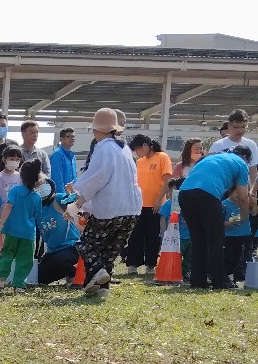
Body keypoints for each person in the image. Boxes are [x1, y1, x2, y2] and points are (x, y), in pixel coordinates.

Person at [72, 109, 141, 297]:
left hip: (110, 208)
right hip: (131, 210)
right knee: (109, 251)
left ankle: (97, 272)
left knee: (87, 244)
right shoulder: (124, 149)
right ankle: (101, 288)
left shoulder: (103, 148)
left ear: (98, 129)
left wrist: (78, 203)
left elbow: (96, 179)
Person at [178, 146, 250, 289]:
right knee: (215, 239)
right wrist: (244, 215)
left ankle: (198, 280)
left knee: (198, 239)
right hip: (207, 194)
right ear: (245, 157)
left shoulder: (212, 158)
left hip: (184, 193)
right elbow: (243, 196)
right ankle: (220, 281)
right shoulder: (241, 163)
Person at [0, 158, 43, 291]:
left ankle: (0, 278)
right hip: (28, 233)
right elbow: (37, 215)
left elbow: (8, 207)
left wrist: (0, 224)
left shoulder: (15, 190)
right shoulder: (37, 197)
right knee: (25, 259)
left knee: (7, 254)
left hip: (11, 230)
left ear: (22, 175)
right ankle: (19, 284)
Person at [124, 134, 172, 274]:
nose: (137, 153)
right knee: (136, 235)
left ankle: (151, 264)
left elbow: (167, 180)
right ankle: (133, 263)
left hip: (155, 204)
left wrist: (158, 200)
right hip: (139, 204)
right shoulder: (140, 162)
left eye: (137, 149)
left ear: (145, 146)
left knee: (152, 235)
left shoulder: (162, 157)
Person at [35, 179, 82, 284]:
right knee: (38, 276)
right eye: (37, 186)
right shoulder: (37, 209)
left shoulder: (58, 199)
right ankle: (69, 271)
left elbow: (73, 203)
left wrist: (69, 191)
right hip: (52, 251)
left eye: (43, 185)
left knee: (57, 261)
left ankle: (75, 273)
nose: (41, 188)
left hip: (71, 246)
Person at [222, 190, 253, 284]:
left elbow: (253, 213)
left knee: (243, 256)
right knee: (230, 257)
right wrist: (231, 222)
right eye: (236, 192)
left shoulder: (245, 202)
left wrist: (255, 204)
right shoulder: (224, 204)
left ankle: (240, 276)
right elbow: (219, 222)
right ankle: (229, 275)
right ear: (229, 192)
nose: (239, 195)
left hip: (245, 234)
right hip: (230, 236)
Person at [50, 127, 78, 193]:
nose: (72, 138)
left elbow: (75, 178)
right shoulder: (57, 155)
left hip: (72, 194)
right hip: (63, 196)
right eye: (68, 136)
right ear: (61, 139)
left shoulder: (72, 156)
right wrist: (63, 196)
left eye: (73, 136)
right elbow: (57, 179)